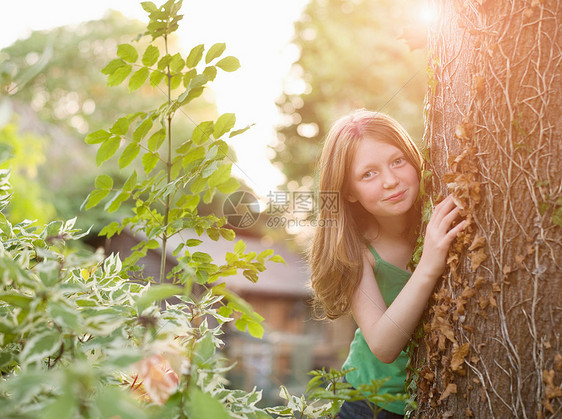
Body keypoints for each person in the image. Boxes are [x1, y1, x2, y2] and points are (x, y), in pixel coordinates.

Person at [308, 109, 466, 418]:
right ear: (349, 192)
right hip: (370, 404)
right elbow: (382, 344)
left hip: (438, 399)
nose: (391, 181)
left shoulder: (433, 214)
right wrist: (429, 265)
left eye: (397, 161)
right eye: (368, 174)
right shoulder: (355, 249)